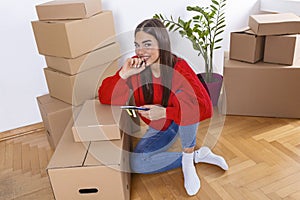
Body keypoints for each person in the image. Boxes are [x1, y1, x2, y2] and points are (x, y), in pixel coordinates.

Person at [98, 18, 228, 196]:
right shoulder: (136, 66)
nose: (140, 51)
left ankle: (188, 160)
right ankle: (197, 156)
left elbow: (204, 107)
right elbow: (105, 97)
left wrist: (166, 111)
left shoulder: (179, 67)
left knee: (187, 99)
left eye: (147, 44)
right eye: (137, 45)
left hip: (184, 122)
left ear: (162, 44)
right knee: (135, 163)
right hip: (161, 127)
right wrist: (124, 74)